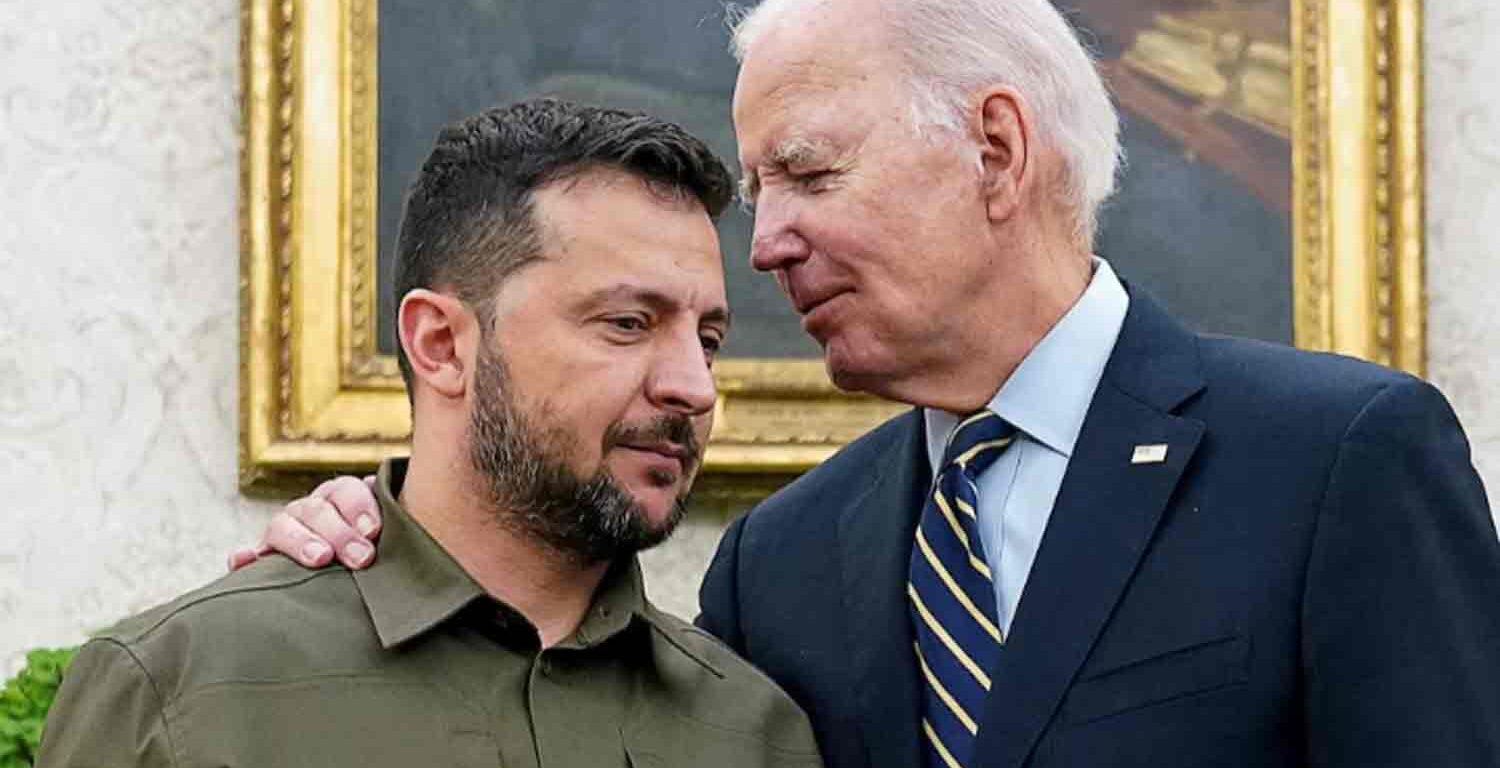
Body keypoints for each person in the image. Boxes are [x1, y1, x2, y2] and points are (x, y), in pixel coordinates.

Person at [237, 0, 1500, 766]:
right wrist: (378, 544)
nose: (767, 236)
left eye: (809, 175)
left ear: (995, 151)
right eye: (760, 191)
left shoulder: (1339, 463)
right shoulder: (779, 562)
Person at [38, 98, 822, 768]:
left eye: (709, 339)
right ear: (442, 344)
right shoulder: (184, 692)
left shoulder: (754, 734)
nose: (693, 385)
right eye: (627, 323)